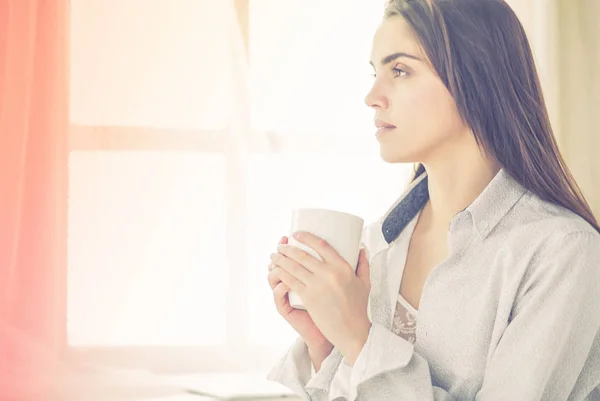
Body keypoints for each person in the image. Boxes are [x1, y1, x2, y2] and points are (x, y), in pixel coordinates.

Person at [265, 0, 600, 399]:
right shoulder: (376, 247)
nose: (372, 96)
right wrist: (326, 346)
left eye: (400, 71)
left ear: (474, 77)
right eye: (376, 73)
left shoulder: (562, 253)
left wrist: (361, 340)